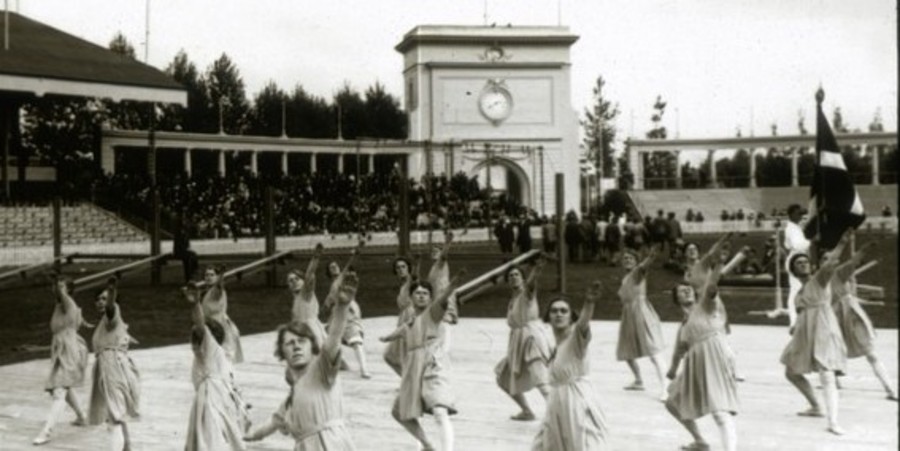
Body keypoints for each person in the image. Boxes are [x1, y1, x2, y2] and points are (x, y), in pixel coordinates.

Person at [244, 274, 361, 449]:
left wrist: (342, 307)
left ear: (312, 346)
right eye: (290, 343)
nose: (296, 347)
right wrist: (250, 436)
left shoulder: (322, 370)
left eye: (301, 342)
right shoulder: (291, 398)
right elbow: (272, 423)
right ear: (282, 352)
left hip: (330, 445)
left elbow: (334, 338)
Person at [380, 275, 463, 451]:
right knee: (399, 412)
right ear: (411, 298)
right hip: (413, 368)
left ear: (431, 297)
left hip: (433, 364)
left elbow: (441, 301)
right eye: (417, 293)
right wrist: (388, 337)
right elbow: (403, 329)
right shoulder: (410, 320)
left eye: (425, 293)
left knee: (440, 411)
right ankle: (427, 445)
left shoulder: (433, 312)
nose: (421, 296)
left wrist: (449, 288)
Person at [780, 232, 850, 435]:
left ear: (811, 266)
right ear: (793, 270)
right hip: (805, 334)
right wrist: (795, 326)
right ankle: (816, 406)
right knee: (791, 372)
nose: (802, 264)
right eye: (798, 263)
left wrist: (842, 242)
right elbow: (802, 313)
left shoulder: (819, 280)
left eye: (805, 262)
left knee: (826, 374)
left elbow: (829, 265)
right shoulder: (799, 293)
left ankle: (833, 421)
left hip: (824, 330)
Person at [665, 262, 739, 451]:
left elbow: (711, 289)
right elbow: (678, 351)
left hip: (714, 360)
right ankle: (700, 441)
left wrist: (717, 269)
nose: (687, 291)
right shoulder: (684, 326)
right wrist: (672, 371)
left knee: (720, 413)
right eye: (682, 291)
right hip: (696, 366)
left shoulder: (704, 306)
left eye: (688, 288)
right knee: (672, 403)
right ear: (676, 300)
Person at [532, 282, 609, 450]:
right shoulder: (556, 345)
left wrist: (589, 303)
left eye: (563, 311)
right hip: (557, 404)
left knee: (580, 445)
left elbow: (583, 324)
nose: (558, 314)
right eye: (554, 311)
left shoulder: (575, 339)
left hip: (576, 402)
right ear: (548, 316)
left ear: (571, 316)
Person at [182, 286, 249, 451]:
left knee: (211, 441)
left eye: (194, 336)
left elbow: (200, 326)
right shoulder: (221, 354)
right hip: (220, 400)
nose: (192, 338)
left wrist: (196, 304)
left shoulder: (209, 349)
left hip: (212, 400)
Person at [830, 242, 897, 400]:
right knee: (831, 356)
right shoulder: (821, 279)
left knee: (871, 354)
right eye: (827, 258)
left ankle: (890, 389)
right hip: (833, 320)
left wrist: (863, 250)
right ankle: (833, 385)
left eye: (833, 258)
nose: (833, 260)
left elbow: (853, 262)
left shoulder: (838, 273)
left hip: (849, 318)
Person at [33, 276, 89, 446]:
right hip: (62, 349)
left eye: (61, 287)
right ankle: (82, 417)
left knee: (59, 391)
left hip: (69, 351)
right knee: (62, 386)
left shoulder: (67, 302)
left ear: (68, 290)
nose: (56, 289)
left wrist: (56, 280)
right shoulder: (63, 305)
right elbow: (75, 318)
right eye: (56, 286)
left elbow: (64, 297)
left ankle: (46, 432)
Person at [495, 259, 552, 421]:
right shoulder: (513, 298)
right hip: (517, 342)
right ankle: (527, 411)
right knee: (503, 378)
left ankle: (558, 414)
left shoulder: (526, 293)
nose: (513, 277)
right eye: (511, 275)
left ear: (523, 278)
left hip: (532, 338)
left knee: (540, 378)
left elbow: (531, 286)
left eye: (517, 274)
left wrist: (535, 271)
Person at [88, 278, 140, 451]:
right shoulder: (107, 322)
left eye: (105, 298)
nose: (101, 302)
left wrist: (112, 292)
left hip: (112, 367)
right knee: (117, 411)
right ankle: (127, 447)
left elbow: (111, 309)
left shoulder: (113, 314)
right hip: (111, 367)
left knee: (113, 418)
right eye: (98, 299)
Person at [616, 248, 667, 400]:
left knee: (653, 352)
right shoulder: (626, 278)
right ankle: (638, 380)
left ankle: (666, 387)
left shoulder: (637, 273)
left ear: (636, 261)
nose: (627, 261)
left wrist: (650, 257)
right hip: (628, 314)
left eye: (630, 258)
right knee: (625, 350)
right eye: (625, 259)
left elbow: (644, 266)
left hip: (641, 313)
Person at [323, 257, 371, 379]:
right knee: (331, 339)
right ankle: (342, 363)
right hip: (336, 314)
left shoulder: (344, 278)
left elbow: (348, 265)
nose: (333, 268)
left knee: (356, 340)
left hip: (348, 311)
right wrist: (327, 305)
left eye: (335, 266)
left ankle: (364, 369)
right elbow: (328, 302)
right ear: (328, 271)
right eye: (331, 267)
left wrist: (355, 253)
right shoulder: (333, 285)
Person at [198, 266, 243, 364]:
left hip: (220, 326)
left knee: (223, 355)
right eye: (206, 275)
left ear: (217, 277)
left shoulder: (217, 290)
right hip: (209, 325)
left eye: (212, 275)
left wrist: (221, 276)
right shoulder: (206, 291)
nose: (209, 277)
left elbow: (219, 286)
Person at [383, 255, 417, 376]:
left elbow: (414, 278)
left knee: (406, 354)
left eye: (403, 266)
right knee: (390, 356)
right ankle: (408, 382)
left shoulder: (411, 282)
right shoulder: (402, 285)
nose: (401, 269)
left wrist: (416, 267)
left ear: (408, 268)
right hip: (403, 320)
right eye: (398, 267)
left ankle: (411, 384)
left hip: (411, 319)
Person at [782, 204, 811, 326]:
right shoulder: (792, 229)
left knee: (798, 289)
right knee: (796, 290)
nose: (801, 216)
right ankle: (794, 321)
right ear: (792, 214)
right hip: (796, 259)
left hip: (797, 258)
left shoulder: (794, 227)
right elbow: (798, 245)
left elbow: (787, 245)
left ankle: (798, 319)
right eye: (799, 214)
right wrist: (811, 241)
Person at [288, 243, 325, 335]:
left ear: (303, 281)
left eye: (297, 279)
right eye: (290, 280)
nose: (294, 281)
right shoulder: (296, 300)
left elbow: (309, 274)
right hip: (304, 333)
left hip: (313, 332)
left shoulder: (306, 293)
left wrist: (315, 258)